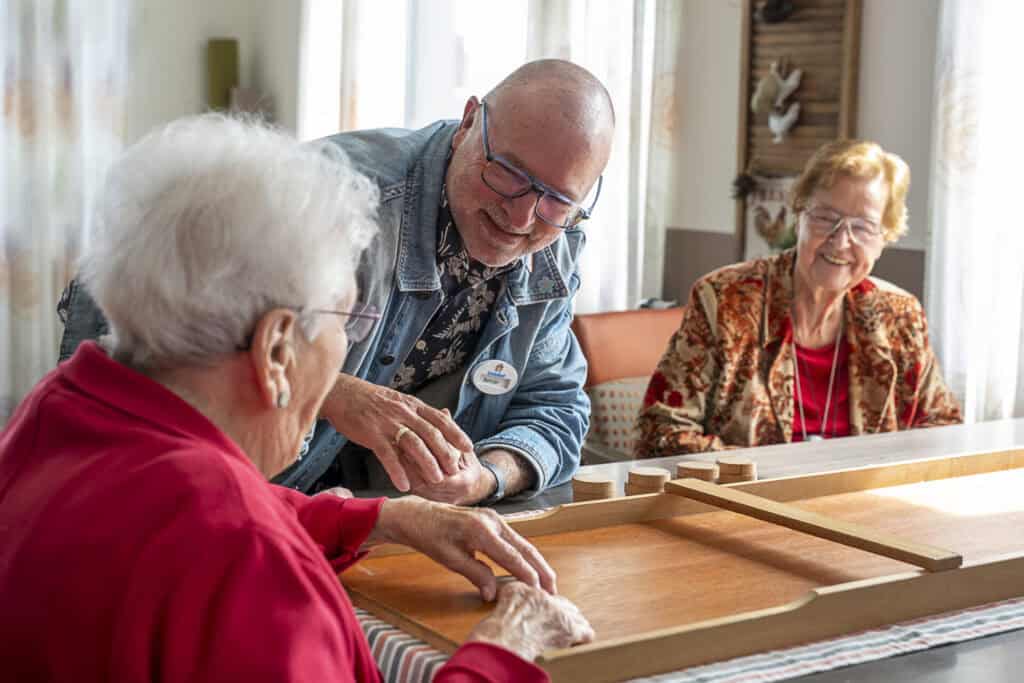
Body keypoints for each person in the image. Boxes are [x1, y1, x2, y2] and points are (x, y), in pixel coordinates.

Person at [0, 115, 593, 682]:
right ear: (277, 347)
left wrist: (382, 517)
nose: (347, 347)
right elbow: (220, 536)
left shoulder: (59, 410)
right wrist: (507, 647)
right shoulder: (248, 558)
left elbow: (153, 515)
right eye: (346, 318)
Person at [56, 59, 615, 506]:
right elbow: (113, 315)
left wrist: (487, 478)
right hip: (229, 510)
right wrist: (326, 387)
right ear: (469, 122)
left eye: (557, 199)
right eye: (509, 174)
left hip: (368, 525)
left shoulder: (554, 246)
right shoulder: (336, 196)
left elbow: (556, 407)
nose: (521, 217)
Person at [635, 139, 962, 458]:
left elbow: (944, 430)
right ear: (799, 215)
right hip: (748, 502)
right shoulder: (725, 299)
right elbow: (660, 434)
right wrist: (780, 470)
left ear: (884, 239)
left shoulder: (900, 316)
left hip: (864, 504)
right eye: (824, 217)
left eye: (862, 227)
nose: (841, 241)